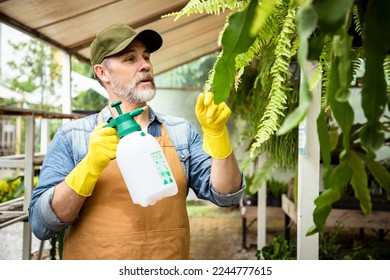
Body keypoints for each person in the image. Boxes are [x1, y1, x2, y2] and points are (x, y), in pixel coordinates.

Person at [28, 23, 245, 260]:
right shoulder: (74, 137)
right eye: (130, 59)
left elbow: (227, 195)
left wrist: (218, 137)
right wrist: (87, 168)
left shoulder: (180, 133)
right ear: (102, 73)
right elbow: (42, 224)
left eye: (146, 57)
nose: (145, 65)